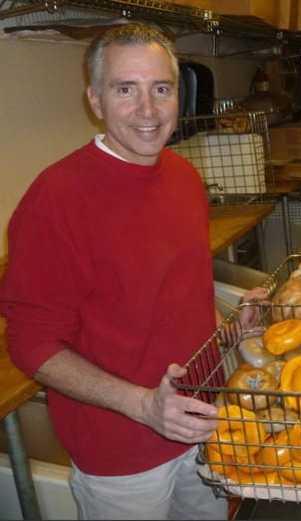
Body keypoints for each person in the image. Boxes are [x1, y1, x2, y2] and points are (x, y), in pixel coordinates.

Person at [0, 23, 243, 519]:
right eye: (125, 89)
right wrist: (144, 406)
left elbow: (175, 304)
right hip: (121, 459)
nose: (148, 111)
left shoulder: (183, 177)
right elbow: (31, 344)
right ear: (95, 99)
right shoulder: (56, 199)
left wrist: (234, 331)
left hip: (202, 427)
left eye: (161, 89)